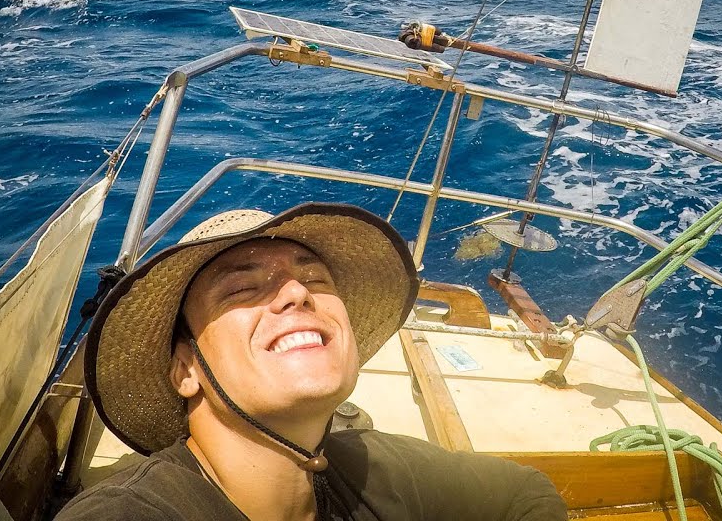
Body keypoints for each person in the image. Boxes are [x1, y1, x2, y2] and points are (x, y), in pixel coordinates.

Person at [58, 203, 566, 521]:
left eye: (317, 280)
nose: (298, 292)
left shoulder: (373, 465)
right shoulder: (131, 513)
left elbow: (525, 494)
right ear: (186, 370)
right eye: (241, 288)